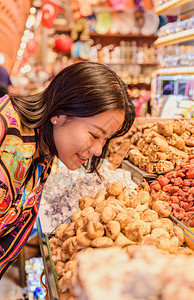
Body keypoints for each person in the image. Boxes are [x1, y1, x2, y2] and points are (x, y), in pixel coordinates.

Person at [0, 61, 135, 277]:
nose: (99, 150)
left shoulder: (41, 153)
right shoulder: (6, 130)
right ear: (59, 113)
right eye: (94, 135)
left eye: (105, 139)